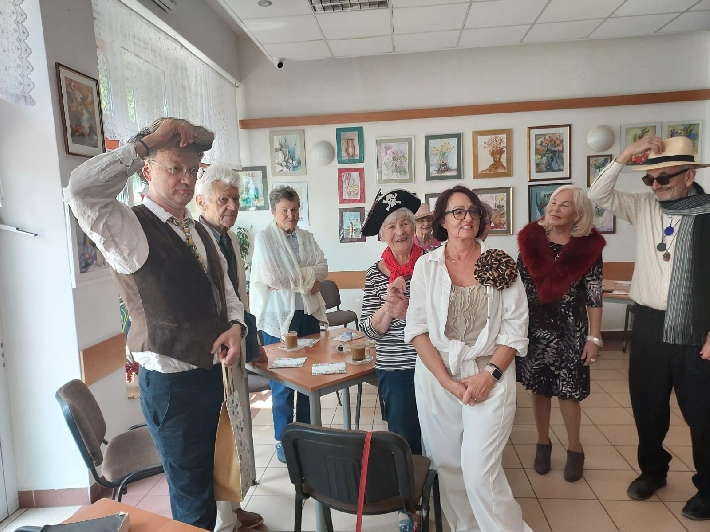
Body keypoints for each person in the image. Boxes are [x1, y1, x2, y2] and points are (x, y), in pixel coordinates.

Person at [64, 118, 246, 530]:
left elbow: (228, 294)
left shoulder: (197, 230)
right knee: (192, 500)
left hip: (212, 378)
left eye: (192, 169)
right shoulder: (129, 227)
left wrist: (236, 327)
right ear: (147, 171)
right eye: (174, 167)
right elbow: (79, 190)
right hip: (172, 390)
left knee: (215, 481)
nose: (187, 179)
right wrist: (148, 143)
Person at [589, 135, 710, 521]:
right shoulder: (644, 206)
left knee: (702, 412)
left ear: (689, 175)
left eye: (664, 178)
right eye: (650, 179)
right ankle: (653, 471)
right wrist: (626, 155)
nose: (655, 185)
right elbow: (597, 193)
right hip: (648, 323)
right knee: (647, 405)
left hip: (695, 326)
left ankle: (708, 489)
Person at [404, 185, 531, 532]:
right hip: (437, 376)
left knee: (479, 471)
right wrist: (445, 381)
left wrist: (489, 375)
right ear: (442, 221)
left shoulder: (499, 262)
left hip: (489, 373)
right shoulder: (427, 266)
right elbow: (417, 328)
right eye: (458, 212)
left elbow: (515, 328)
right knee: (447, 466)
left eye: (473, 211)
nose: (467, 218)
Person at [195, 165, 266, 532]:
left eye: (235, 199)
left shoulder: (230, 239)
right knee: (220, 439)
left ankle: (233, 510)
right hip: (212, 355)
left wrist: (253, 344)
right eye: (223, 199)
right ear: (201, 201)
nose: (232, 206)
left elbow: (240, 298)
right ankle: (224, 522)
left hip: (235, 348)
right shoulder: (194, 240)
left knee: (237, 433)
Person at [517, 185, 605, 482]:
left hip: (570, 331)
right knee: (539, 389)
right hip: (535, 329)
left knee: (569, 393)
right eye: (553, 202)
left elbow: (594, 296)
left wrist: (594, 338)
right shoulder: (531, 240)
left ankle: (575, 449)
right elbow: (517, 287)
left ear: (578, 213)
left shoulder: (587, 248)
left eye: (564, 205)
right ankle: (543, 444)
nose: (555, 208)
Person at [249, 186, 328, 464]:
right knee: (282, 385)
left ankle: (306, 436)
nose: (290, 215)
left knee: (309, 381)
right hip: (279, 320)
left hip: (307, 316)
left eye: (294, 209)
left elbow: (323, 268)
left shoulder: (307, 237)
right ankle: (284, 440)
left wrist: (293, 277)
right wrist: (307, 279)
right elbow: (273, 276)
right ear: (274, 212)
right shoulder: (265, 238)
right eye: (284, 210)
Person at [359, 189, 423, 455]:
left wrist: (407, 311)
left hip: (433, 364)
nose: (400, 231)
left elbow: (446, 320)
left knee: (437, 435)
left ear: (414, 227)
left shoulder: (432, 265)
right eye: (391, 226)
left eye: (405, 223)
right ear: (382, 235)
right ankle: (411, 481)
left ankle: (437, 478)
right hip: (395, 368)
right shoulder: (375, 274)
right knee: (404, 440)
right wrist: (388, 307)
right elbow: (368, 330)